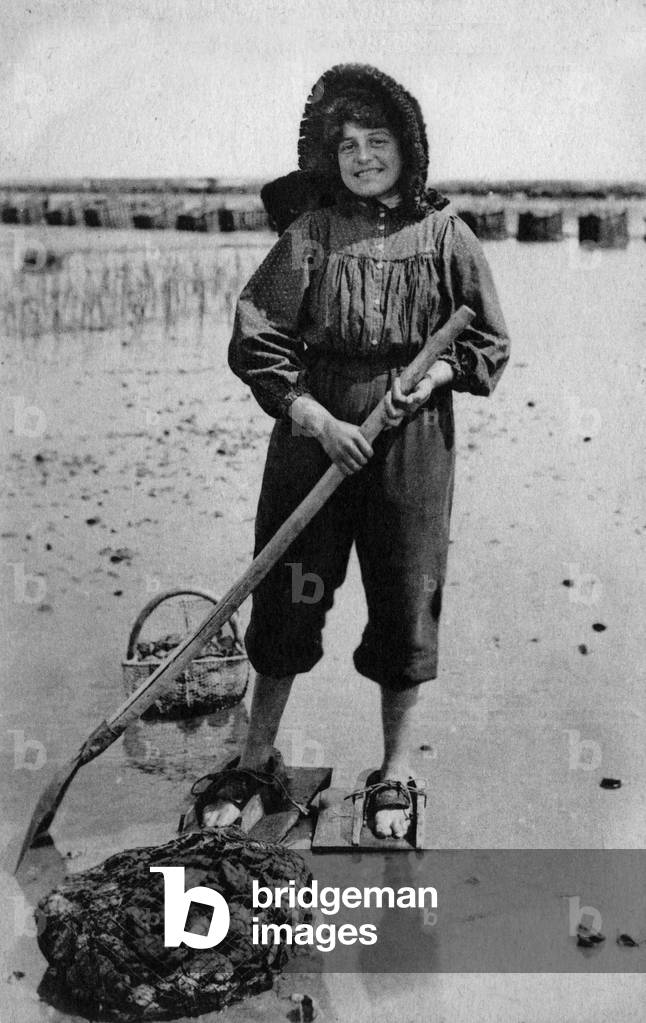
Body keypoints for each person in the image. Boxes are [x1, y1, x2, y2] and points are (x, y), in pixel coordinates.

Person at [193, 63, 509, 840]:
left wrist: (433, 371)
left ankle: (395, 771)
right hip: (315, 439)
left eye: (378, 141)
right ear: (330, 159)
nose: (364, 155)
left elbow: (488, 342)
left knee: (407, 594)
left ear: (409, 148)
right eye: (349, 145)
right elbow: (258, 334)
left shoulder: (447, 236)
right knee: (287, 592)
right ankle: (257, 754)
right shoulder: (311, 234)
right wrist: (310, 415)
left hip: (413, 443)